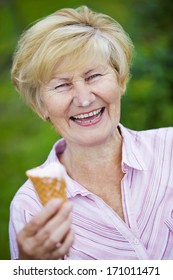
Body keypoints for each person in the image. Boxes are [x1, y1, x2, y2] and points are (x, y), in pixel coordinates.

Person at [9, 5, 173, 260]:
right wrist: (32, 269)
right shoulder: (30, 206)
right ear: (40, 106)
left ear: (120, 80)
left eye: (94, 76)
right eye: (62, 85)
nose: (84, 100)